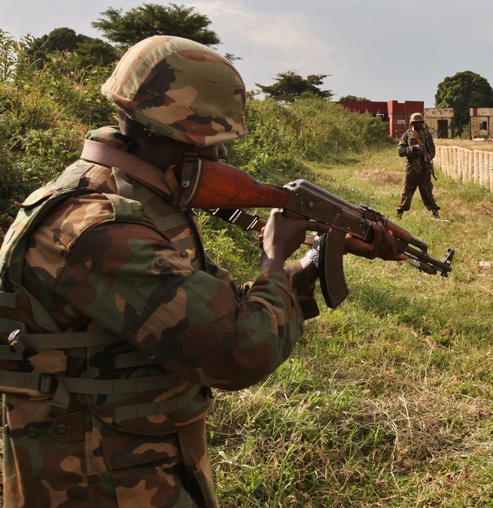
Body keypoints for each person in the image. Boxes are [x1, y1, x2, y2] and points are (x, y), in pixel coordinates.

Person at [0, 35, 400, 506]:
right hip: (90, 477)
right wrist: (273, 257)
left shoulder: (141, 201)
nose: (222, 157)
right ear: (170, 135)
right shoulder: (99, 228)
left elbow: (220, 311)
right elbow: (238, 351)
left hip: (131, 459)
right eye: (214, 141)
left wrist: (315, 261)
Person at [396, 113, 440, 219]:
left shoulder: (427, 135)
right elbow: (400, 151)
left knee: (427, 192)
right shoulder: (406, 135)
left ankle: (435, 213)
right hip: (411, 168)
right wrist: (413, 148)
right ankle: (399, 213)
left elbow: (432, 151)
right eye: (415, 123)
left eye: (420, 123)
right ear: (411, 123)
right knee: (407, 192)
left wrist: (428, 157)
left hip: (424, 168)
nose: (418, 125)